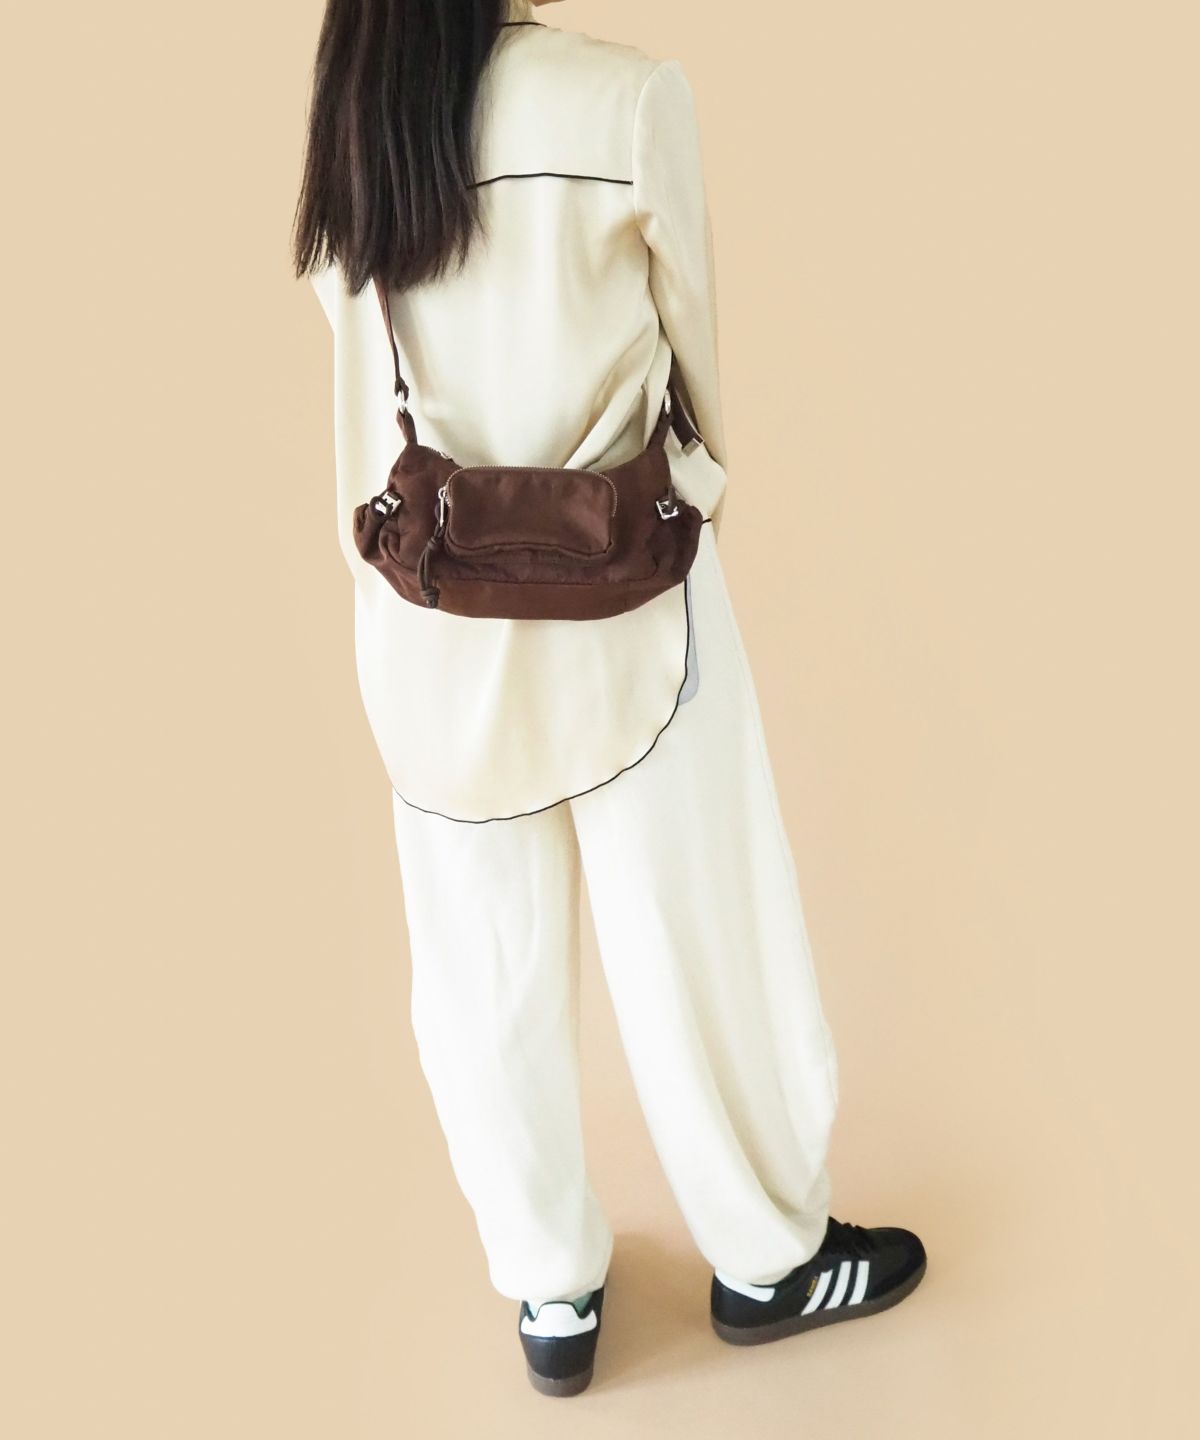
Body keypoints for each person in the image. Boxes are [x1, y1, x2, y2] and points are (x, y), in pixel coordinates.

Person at [294, 0, 925, 1398]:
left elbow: (357, 364)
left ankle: (550, 1294)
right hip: (625, 599)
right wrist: (700, 496)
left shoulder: (359, 115)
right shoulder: (626, 100)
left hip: (429, 621)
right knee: (700, 934)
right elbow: (696, 352)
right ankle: (767, 1257)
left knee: (482, 970)